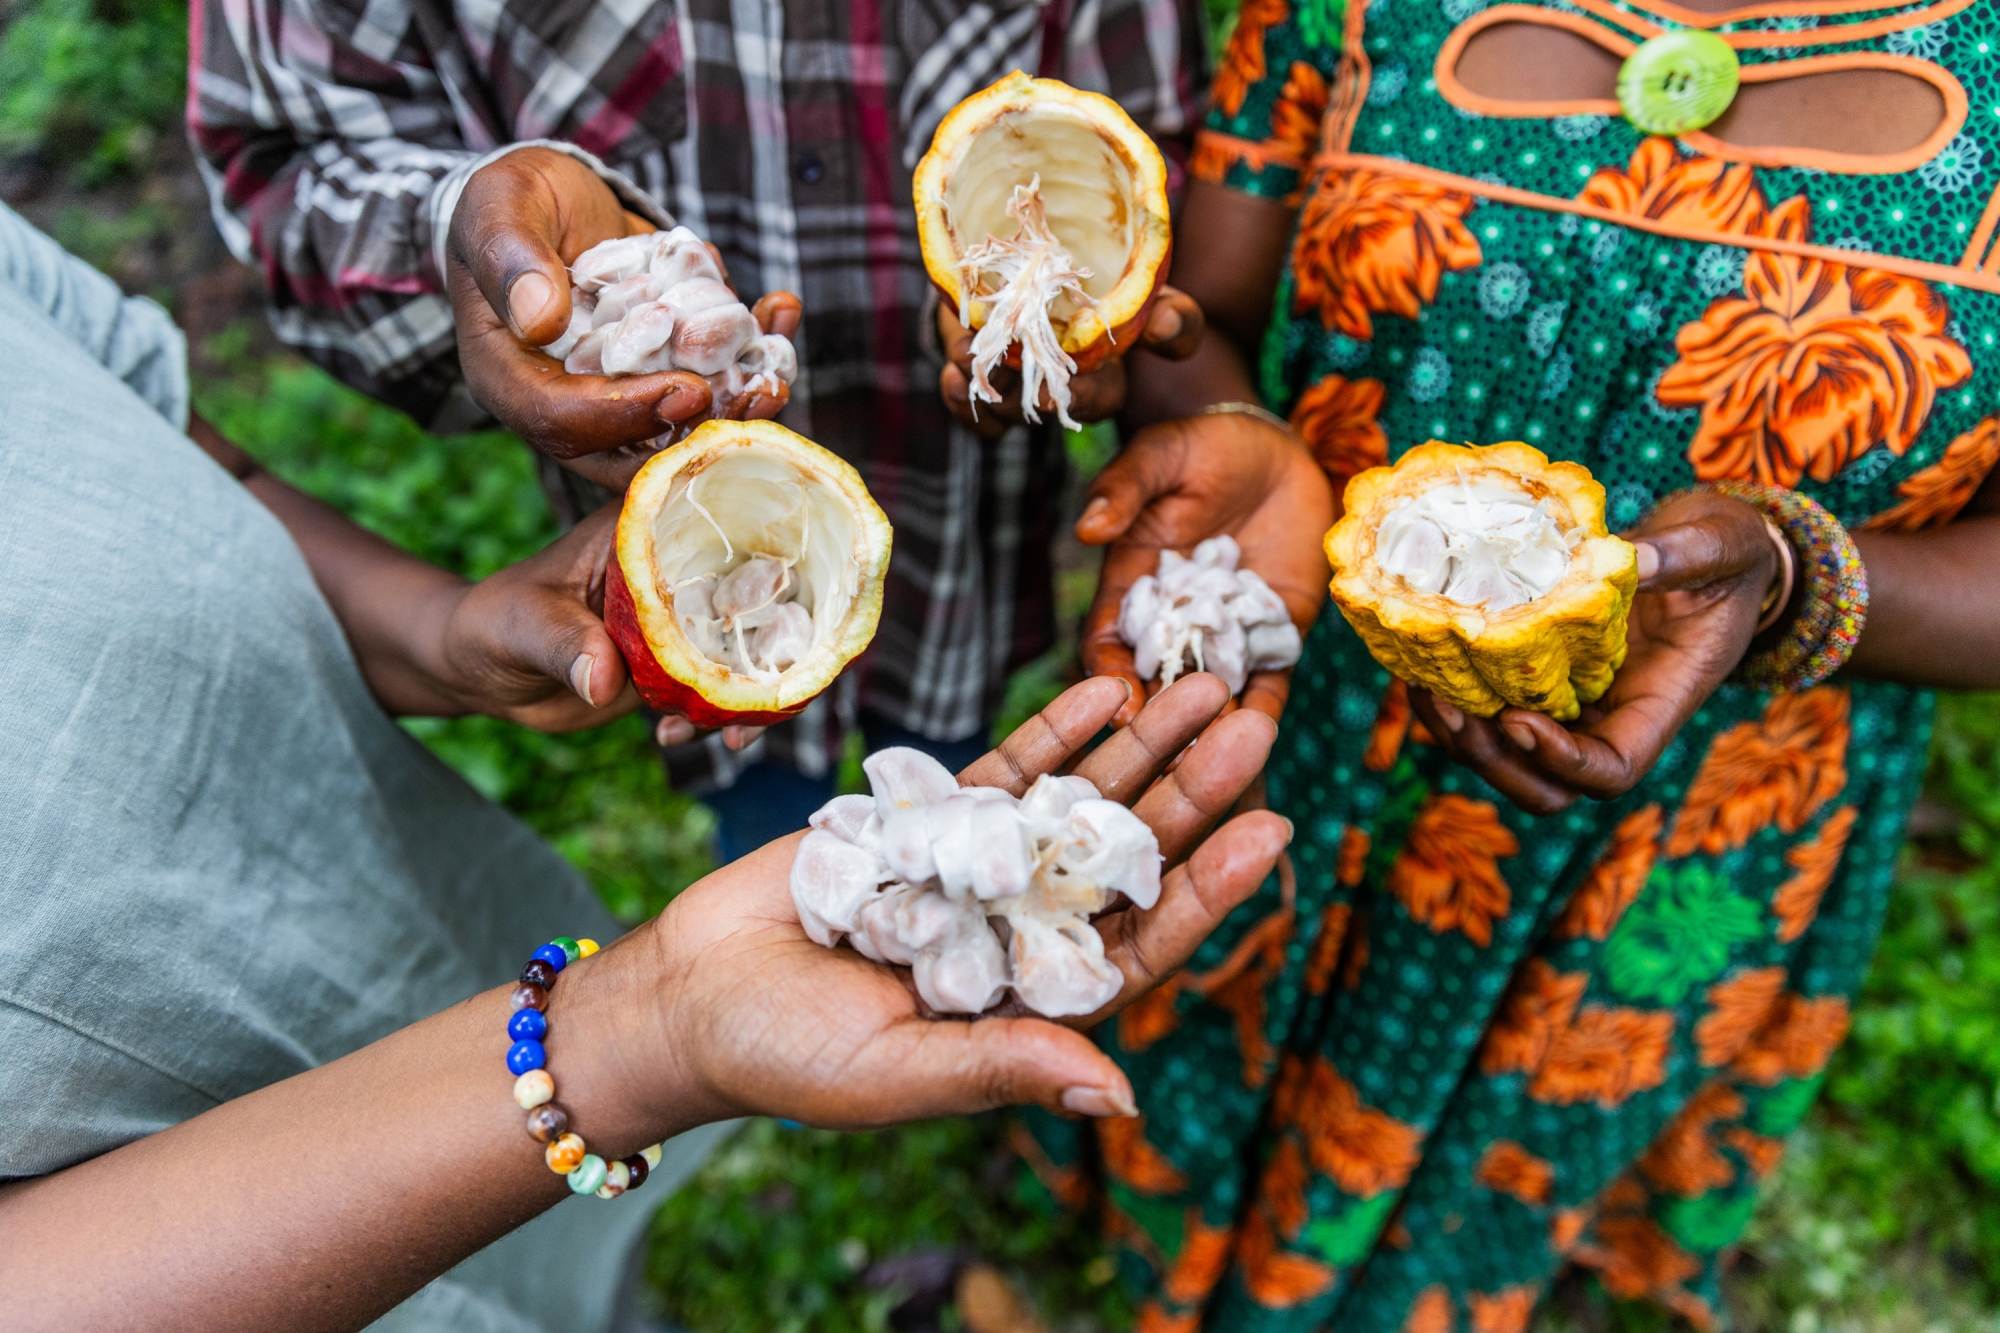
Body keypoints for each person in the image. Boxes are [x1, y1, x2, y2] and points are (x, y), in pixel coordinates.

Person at [0, 201, 1293, 1330]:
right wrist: (643, 1036)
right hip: (150, 1212)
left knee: (560, 1271)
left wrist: (438, 635)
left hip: (369, 864)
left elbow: (144, 421)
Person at [1019, 1, 2000, 1327]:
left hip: (1687, 816)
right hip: (1299, 708)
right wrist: (1238, 428)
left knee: (1494, 1165)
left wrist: (1792, 577)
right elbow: (1214, 322)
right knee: (1198, 1019)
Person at [185, 0, 1211, 862]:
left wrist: (1065, 320)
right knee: (773, 847)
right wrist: (464, 233)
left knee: (945, 768)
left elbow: (1144, 136)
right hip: (683, 596)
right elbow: (275, 159)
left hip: (960, 566)